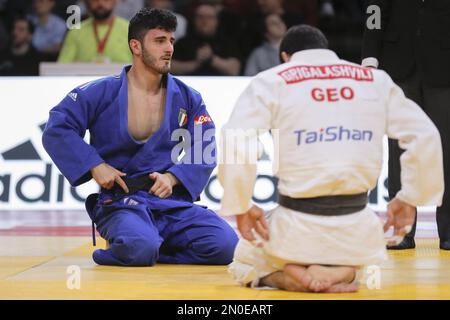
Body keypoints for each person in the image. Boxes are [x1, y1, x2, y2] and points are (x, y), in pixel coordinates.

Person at [218, 25, 444, 292]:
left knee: (243, 260)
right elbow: (425, 133)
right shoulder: (375, 80)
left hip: (296, 226)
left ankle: (286, 275)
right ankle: (345, 270)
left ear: (285, 57)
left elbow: (235, 137)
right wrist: (410, 198)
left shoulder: (272, 80)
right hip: (357, 226)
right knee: (362, 252)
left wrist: (241, 203)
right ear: (327, 51)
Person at [43, 8, 237, 266]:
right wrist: (94, 165)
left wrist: (174, 176)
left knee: (226, 246)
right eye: (159, 41)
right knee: (139, 247)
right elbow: (58, 127)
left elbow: (205, 145)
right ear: (136, 45)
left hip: (170, 203)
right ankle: (134, 244)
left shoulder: (188, 97)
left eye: (171, 41)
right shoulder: (101, 92)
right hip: (121, 202)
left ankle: (149, 245)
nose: (168, 48)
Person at [362, 0, 450, 251]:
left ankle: (448, 229)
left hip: (444, 65)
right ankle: (402, 230)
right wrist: (370, 57)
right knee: (398, 149)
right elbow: (375, 11)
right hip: (399, 64)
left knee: (448, 148)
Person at [171, 3, 241, 76]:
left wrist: (211, 59)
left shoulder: (227, 43)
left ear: (217, 21)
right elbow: (169, 67)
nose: (204, 21)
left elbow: (234, 70)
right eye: (200, 17)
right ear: (194, 20)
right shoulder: (183, 42)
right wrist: (195, 64)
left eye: (209, 17)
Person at [58, 0, 132, 63]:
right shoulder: (75, 31)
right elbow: (62, 67)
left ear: (115, 1)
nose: (100, 3)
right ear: (88, 2)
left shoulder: (129, 29)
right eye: (95, 0)